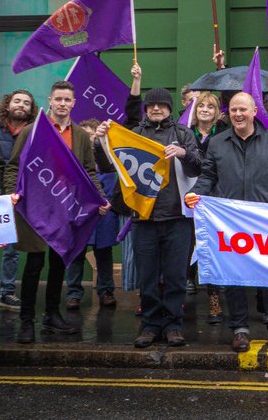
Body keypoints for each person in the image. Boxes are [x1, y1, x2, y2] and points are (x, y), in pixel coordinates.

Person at [186, 92, 268, 353]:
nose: (238, 114)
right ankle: (239, 330)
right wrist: (195, 194)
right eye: (234, 110)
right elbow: (208, 177)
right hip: (230, 222)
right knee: (234, 276)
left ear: (254, 112)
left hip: (265, 221)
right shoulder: (217, 142)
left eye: (243, 110)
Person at [97, 79, 202, 348]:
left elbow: (198, 167)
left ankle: (173, 325)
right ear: (146, 109)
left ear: (169, 108)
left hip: (177, 217)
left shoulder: (183, 134)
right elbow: (108, 166)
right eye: (152, 105)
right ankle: (150, 325)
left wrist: (183, 154)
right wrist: (100, 142)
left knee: (177, 275)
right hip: (143, 218)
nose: (156, 108)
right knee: (148, 276)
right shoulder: (132, 132)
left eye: (161, 105)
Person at [4, 80, 106, 344]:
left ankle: (52, 315)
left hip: (65, 208)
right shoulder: (32, 130)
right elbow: (14, 166)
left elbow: (88, 172)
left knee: (60, 262)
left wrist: (100, 198)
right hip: (35, 208)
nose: (62, 104)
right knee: (34, 265)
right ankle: (27, 321)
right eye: (58, 99)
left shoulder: (82, 136)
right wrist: (10, 194)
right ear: (50, 101)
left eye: (67, 100)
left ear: (74, 103)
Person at [0, 89, 39, 314]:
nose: (21, 105)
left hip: (20, 196)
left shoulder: (34, 131)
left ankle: (7, 292)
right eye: (17, 101)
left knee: (12, 249)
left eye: (26, 103)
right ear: (8, 104)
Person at [65, 118, 120, 313]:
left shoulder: (109, 157)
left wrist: (107, 203)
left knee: (104, 254)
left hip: (104, 214)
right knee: (76, 254)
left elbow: (114, 183)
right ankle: (73, 294)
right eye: (85, 134)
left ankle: (106, 292)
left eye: (93, 134)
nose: (89, 138)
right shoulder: (72, 157)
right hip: (79, 213)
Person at [188, 92, 225, 324]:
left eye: (210, 107)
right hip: (186, 195)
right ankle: (182, 290)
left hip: (213, 198)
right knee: (185, 245)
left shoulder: (223, 135)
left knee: (212, 248)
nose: (204, 110)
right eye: (200, 106)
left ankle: (214, 297)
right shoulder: (184, 132)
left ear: (216, 112)